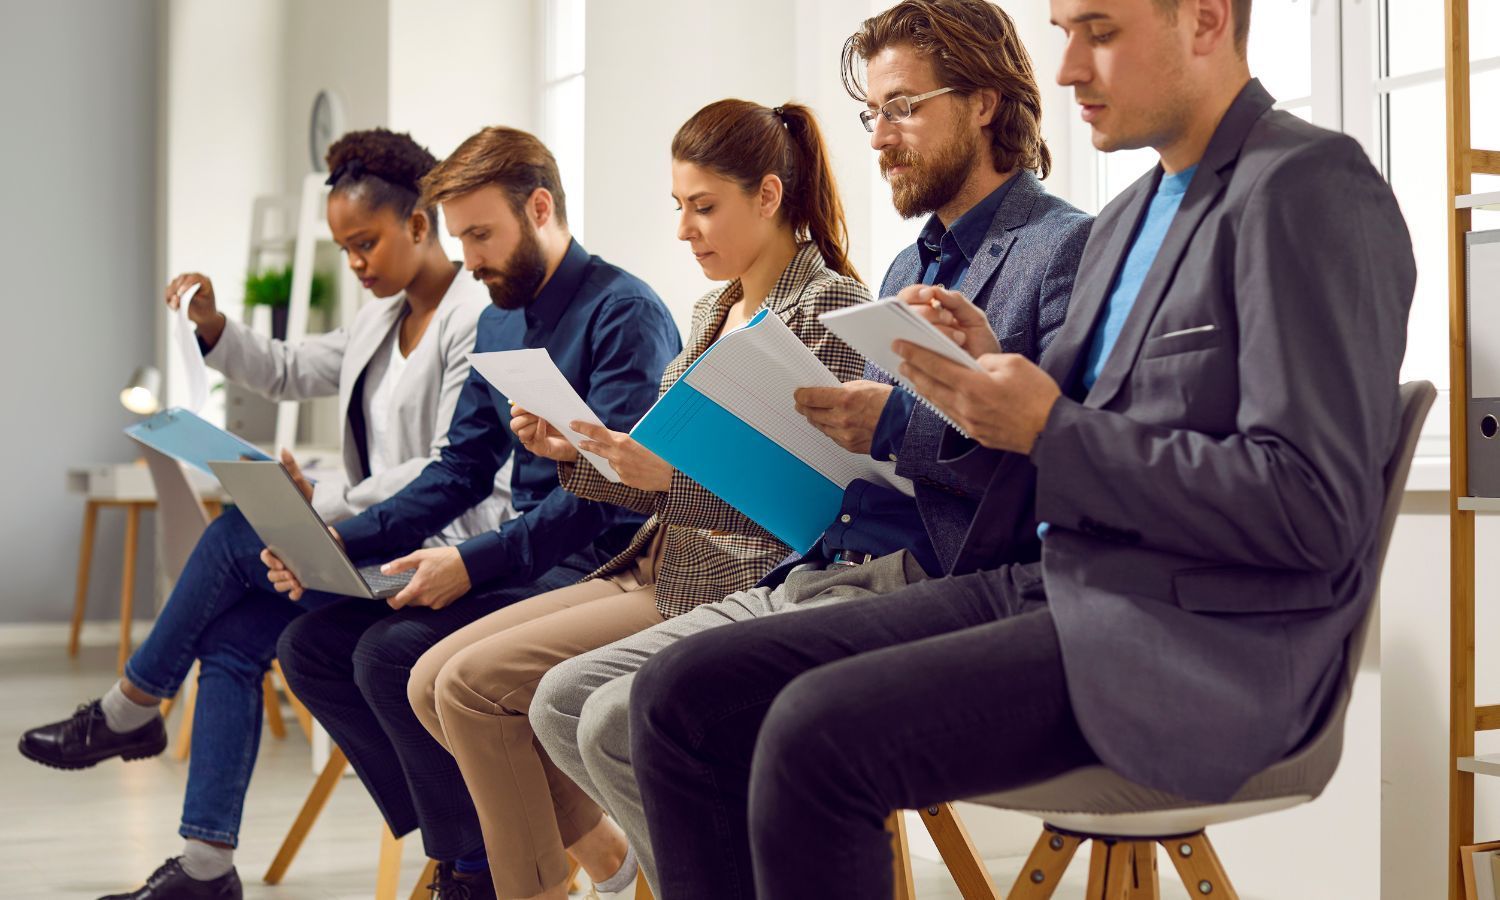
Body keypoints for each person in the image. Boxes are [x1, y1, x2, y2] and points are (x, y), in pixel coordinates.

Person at [627, 0, 1419, 896]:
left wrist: (1047, 425)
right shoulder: (1128, 221)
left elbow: (1309, 508)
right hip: (1046, 588)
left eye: (1101, 32)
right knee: (679, 694)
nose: (1069, 67)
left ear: (1204, 20)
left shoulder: (1306, 185)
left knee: (813, 731)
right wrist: (980, 381)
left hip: (1196, 641)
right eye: (1066, 32)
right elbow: (1080, 446)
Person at [528, 0, 1092, 891]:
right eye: (874, 114)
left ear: (984, 103)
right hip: (833, 555)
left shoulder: (1060, 250)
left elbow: (1050, 469)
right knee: (566, 704)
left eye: (902, 106)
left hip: (941, 583)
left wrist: (892, 428)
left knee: (619, 717)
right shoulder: (909, 270)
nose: (879, 137)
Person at [17, 127, 512, 900]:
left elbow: (448, 468)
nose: (356, 264)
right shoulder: (378, 321)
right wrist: (212, 327)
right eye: (344, 248)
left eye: (366, 243)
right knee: (232, 636)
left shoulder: (474, 320)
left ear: (420, 222)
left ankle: (132, 706)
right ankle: (206, 868)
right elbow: (289, 368)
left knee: (233, 538)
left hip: (437, 553)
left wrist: (327, 505)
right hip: (368, 545)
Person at [403, 98, 870, 900]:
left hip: (733, 578)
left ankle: (545, 885)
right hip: (653, 554)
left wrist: (661, 477)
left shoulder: (824, 308)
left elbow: (811, 506)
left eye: (704, 207)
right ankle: (599, 856)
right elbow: (657, 461)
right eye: (679, 208)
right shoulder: (710, 310)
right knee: (427, 682)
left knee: (473, 687)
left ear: (767, 196)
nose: (686, 230)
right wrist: (573, 451)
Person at [268, 126, 681, 899]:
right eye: (461, 238)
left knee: (390, 654)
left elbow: (608, 502)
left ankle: (478, 869)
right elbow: (460, 468)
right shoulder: (497, 318)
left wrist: (472, 562)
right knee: (312, 647)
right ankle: (496, 843)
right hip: (529, 555)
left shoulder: (624, 314)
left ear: (541, 207)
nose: (472, 258)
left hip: (604, 562)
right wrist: (335, 540)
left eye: (483, 234)